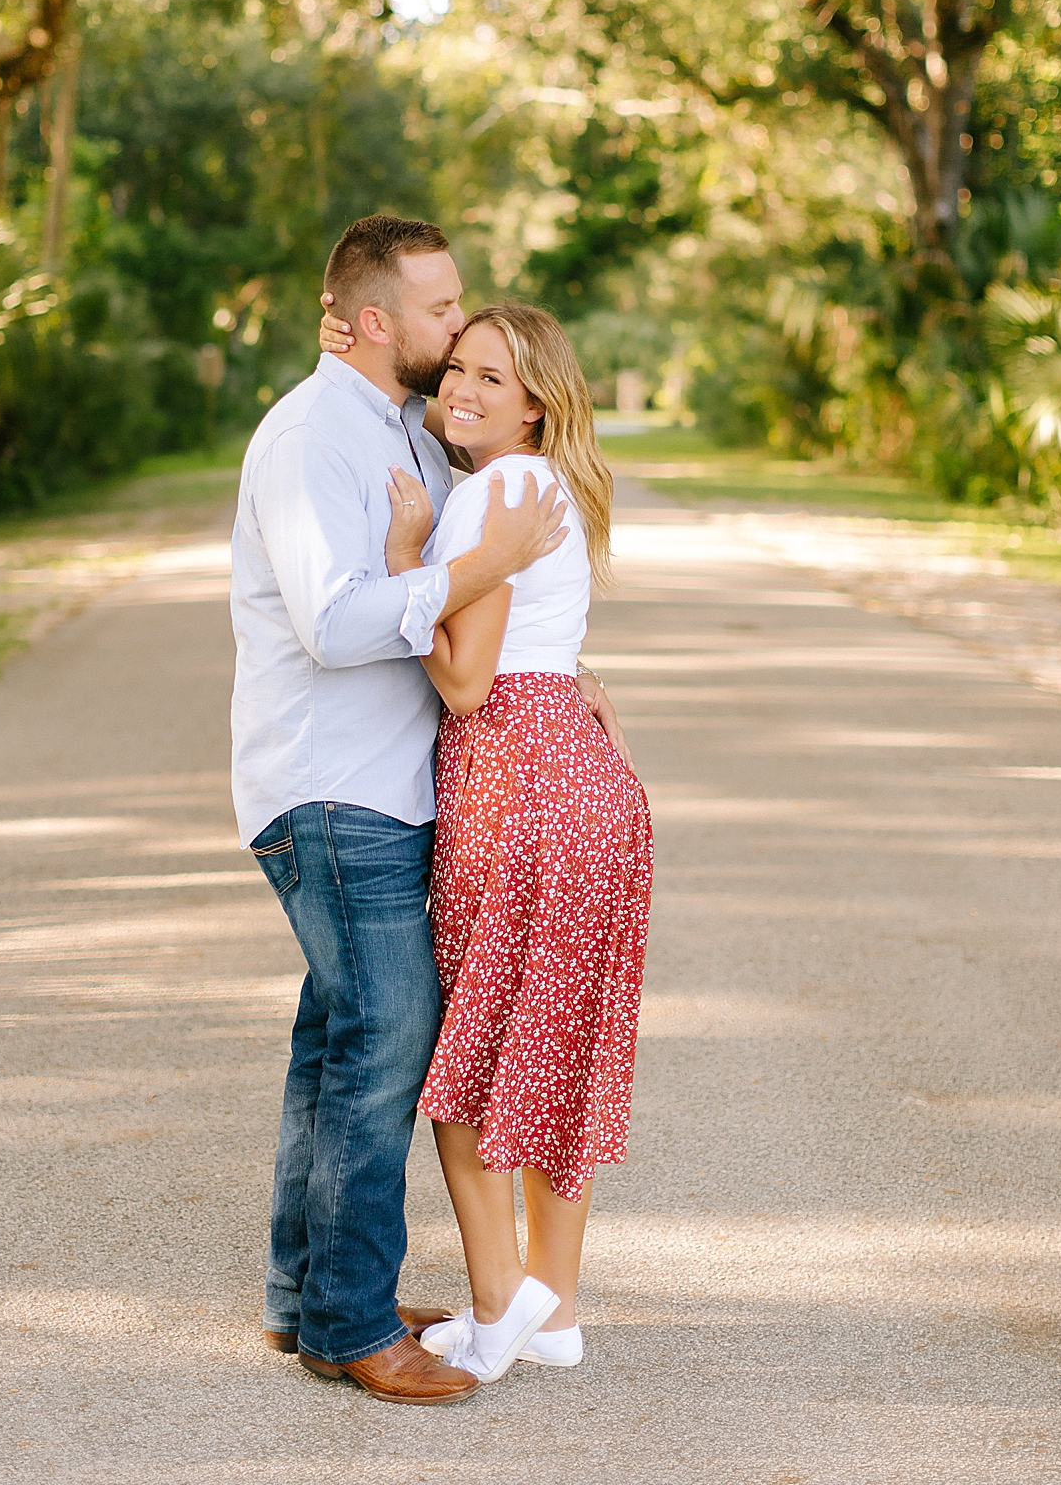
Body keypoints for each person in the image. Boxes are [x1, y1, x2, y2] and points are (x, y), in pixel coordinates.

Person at [231, 216, 619, 1407]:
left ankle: (310, 1297)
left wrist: (537, 648)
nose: (458, 336)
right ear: (374, 321)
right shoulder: (310, 437)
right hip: (332, 788)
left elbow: (479, 632)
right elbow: (339, 621)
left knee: (336, 1039)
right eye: (444, 317)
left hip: (399, 790)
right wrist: (476, 565)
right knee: (392, 1040)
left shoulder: (399, 424)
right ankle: (352, 1320)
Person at [332, 300, 653, 1384]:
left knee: (465, 1062)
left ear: (534, 405)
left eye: (491, 378)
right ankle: (553, 1309)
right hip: (586, 786)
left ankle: (495, 1305)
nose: (461, 388)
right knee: (557, 1057)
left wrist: (409, 560)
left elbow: (467, 682)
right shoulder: (541, 482)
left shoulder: (488, 496)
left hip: (517, 785)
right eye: (456, 365)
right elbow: (537, 648)